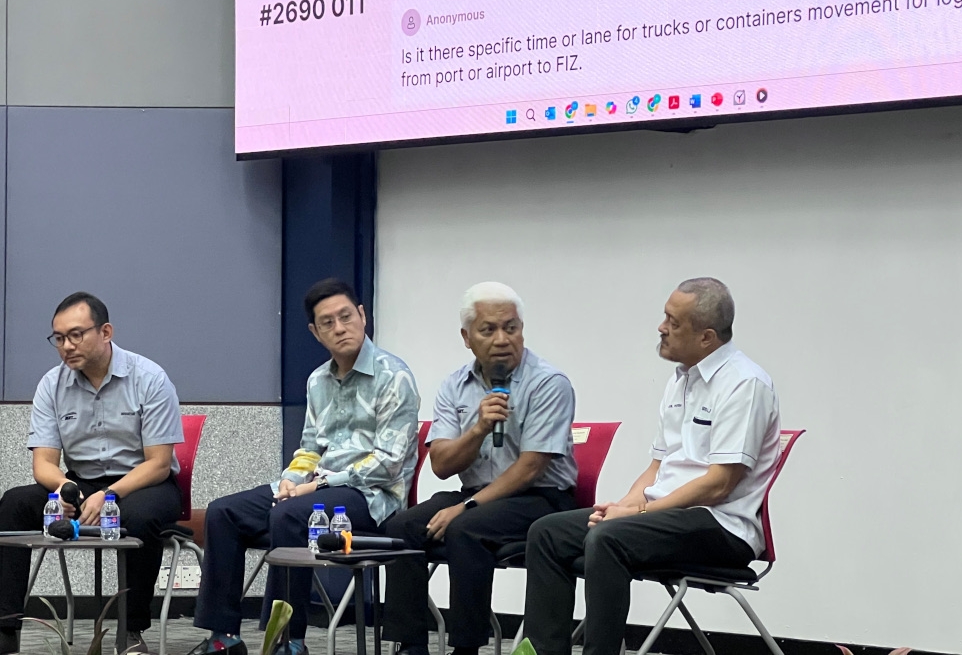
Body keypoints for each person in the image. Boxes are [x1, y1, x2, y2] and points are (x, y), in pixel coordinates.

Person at [522, 277, 782, 655]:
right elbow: (657, 465)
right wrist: (624, 505)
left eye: (674, 323)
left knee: (609, 538)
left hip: (720, 524)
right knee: (546, 534)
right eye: (665, 317)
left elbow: (719, 484)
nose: (662, 328)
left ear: (707, 337)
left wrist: (637, 512)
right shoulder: (681, 381)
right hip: (665, 514)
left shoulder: (745, 384)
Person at [188, 278, 420, 655]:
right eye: (327, 323)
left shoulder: (394, 377)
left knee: (292, 516)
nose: (339, 328)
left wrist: (319, 486)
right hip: (315, 490)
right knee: (223, 512)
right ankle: (222, 636)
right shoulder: (317, 381)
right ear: (315, 332)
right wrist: (289, 481)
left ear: (363, 316)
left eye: (346, 316)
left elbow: (389, 464)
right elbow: (309, 449)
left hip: (370, 497)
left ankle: (285, 640)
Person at [382, 282, 578, 655]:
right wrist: (478, 428)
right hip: (479, 497)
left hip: (541, 500)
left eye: (512, 327)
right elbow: (441, 464)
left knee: (466, 528)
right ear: (467, 337)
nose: (503, 339)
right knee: (401, 527)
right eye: (489, 330)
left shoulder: (549, 383)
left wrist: (466, 507)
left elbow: (532, 466)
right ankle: (410, 645)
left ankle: (466, 647)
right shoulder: (455, 385)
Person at [0, 292, 185, 655]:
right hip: (79, 482)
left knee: (140, 516)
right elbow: (43, 465)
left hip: (143, 482)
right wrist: (67, 490)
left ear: (105, 332)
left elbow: (159, 462)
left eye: (75, 335)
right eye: (58, 338)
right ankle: (5, 628)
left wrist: (111, 494)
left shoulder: (150, 378)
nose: (66, 346)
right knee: (14, 503)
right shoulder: (51, 385)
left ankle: (131, 629)